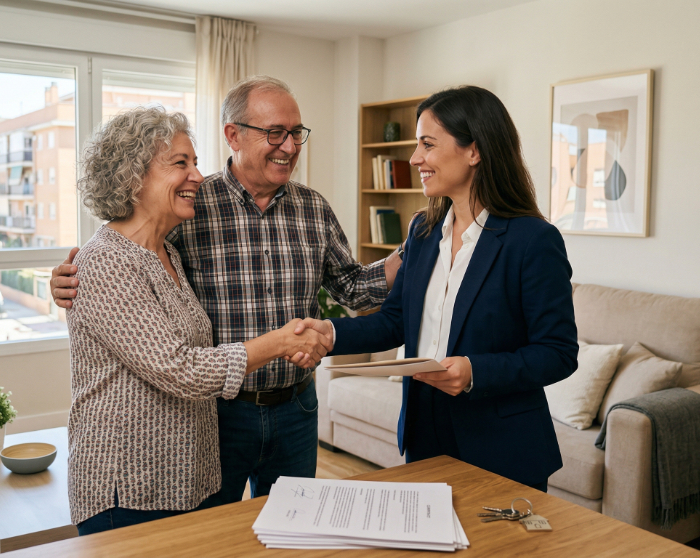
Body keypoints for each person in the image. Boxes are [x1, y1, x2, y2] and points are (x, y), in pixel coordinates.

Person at [52, 76, 402, 505]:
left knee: (294, 534)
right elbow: (129, 249)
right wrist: (71, 278)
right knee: (216, 538)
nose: (290, 146)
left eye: (296, 133)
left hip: (296, 408)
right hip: (218, 413)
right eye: (275, 132)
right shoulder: (191, 204)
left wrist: (413, 252)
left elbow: (352, 287)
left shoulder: (314, 208)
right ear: (233, 135)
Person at [298, 86, 578, 491]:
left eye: (427, 144)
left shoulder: (533, 240)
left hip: (501, 445)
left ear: (474, 151)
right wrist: (332, 333)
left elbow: (558, 353)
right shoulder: (424, 231)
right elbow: (396, 321)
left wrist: (474, 372)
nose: (415, 159)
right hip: (424, 430)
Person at [67, 106, 328, 535]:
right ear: (133, 176)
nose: (198, 176)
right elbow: (181, 369)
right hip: (128, 489)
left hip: (184, 480)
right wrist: (279, 343)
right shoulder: (107, 261)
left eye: (196, 162)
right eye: (180, 163)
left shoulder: (166, 252)